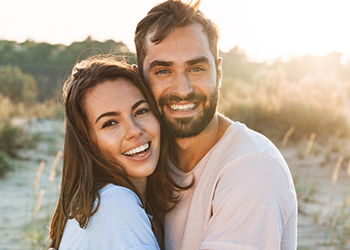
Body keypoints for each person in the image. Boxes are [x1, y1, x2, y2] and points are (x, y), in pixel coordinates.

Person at [134, 0, 298, 249]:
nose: (182, 90)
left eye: (196, 68)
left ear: (218, 73)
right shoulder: (143, 158)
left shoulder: (253, 170)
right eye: (163, 71)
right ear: (139, 80)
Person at [48, 56, 189, 250]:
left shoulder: (101, 202)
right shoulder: (114, 204)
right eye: (110, 123)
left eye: (141, 111)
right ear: (87, 142)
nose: (134, 130)